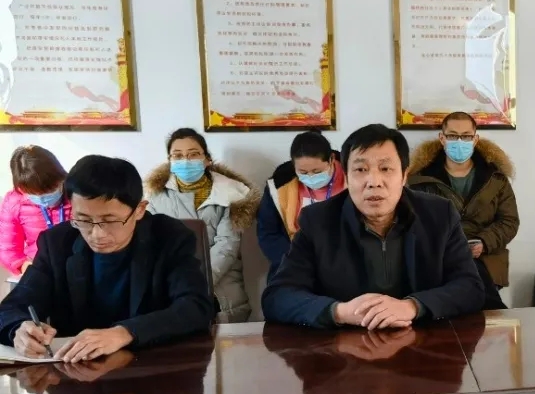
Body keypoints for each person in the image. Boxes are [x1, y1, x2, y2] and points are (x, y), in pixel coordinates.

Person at [261, 124, 485, 328]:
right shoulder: (318, 220)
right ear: (346, 177)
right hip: (343, 348)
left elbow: (470, 287)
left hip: (425, 343)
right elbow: (278, 297)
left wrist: (413, 306)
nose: (374, 182)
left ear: (404, 176)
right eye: (361, 170)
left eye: (386, 169)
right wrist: (339, 312)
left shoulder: (439, 215)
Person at [0, 155, 215, 361]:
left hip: (151, 369)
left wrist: (125, 332)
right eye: (83, 220)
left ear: (139, 210)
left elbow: (195, 307)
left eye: (110, 220)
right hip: (76, 373)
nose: (97, 234)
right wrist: (18, 329)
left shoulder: (169, 237)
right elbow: (10, 309)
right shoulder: (56, 243)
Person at [407, 111, 519, 310]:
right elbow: (412, 223)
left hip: (486, 259)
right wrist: (449, 247)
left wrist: (483, 242)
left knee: (479, 292)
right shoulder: (420, 180)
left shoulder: (496, 178)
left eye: (466, 136)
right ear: (442, 138)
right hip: (439, 259)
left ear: (475, 139)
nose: (459, 141)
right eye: (452, 135)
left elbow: (509, 221)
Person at [145, 128, 260, 322]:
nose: (185, 161)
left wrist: (198, 281)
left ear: (207, 159)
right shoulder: (155, 197)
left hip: (222, 289)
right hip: (172, 287)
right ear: (170, 161)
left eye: (193, 154)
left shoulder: (231, 193)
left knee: (223, 339)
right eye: (178, 155)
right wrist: (178, 281)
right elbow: (154, 246)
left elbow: (227, 245)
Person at [256, 131, 345, 276]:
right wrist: (294, 261)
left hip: (343, 264)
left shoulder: (354, 178)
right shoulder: (279, 186)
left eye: (317, 171)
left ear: (331, 160)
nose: (310, 176)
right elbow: (268, 233)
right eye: (303, 172)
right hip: (295, 263)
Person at [0, 145, 72, 276]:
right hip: (38, 268)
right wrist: (24, 266)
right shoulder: (14, 202)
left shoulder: (77, 193)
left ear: (60, 177)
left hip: (75, 267)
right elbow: (7, 248)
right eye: (34, 193)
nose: (43, 198)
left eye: (50, 190)